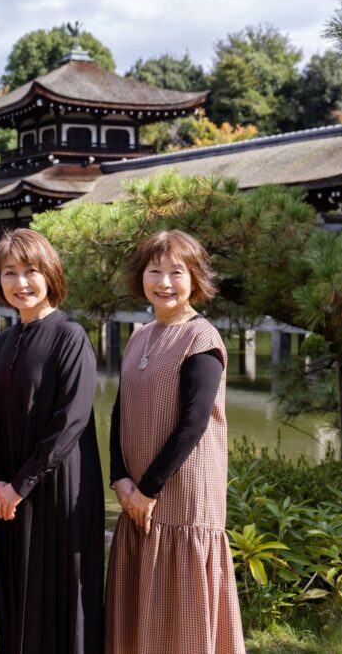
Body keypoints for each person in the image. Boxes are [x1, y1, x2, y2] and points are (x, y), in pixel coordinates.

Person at [106, 229, 245, 654]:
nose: (164, 282)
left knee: (180, 599)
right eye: (154, 271)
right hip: (135, 494)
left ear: (195, 279)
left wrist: (148, 488)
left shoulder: (201, 340)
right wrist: (119, 478)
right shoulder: (138, 337)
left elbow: (193, 424)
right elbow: (118, 410)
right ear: (140, 277)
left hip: (182, 494)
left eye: (176, 272)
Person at [0, 228, 105, 654]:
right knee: (18, 590)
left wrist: (20, 485)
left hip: (59, 487)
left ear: (50, 273)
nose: (21, 283)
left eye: (31, 271)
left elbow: (70, 421)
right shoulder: (0, 344)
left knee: (61, 592)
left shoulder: (70, 336)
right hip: (10, 491)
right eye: (9, 272)